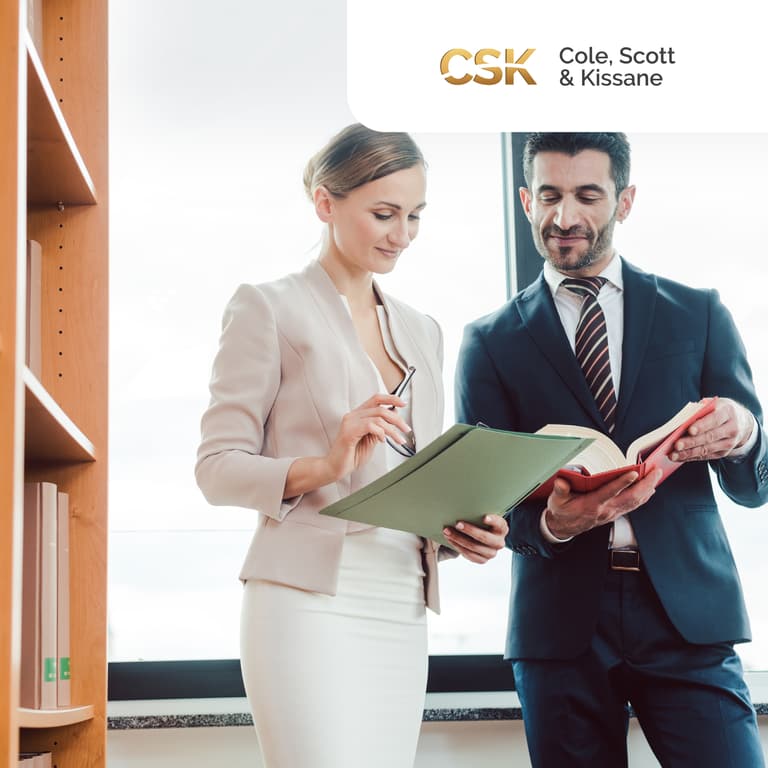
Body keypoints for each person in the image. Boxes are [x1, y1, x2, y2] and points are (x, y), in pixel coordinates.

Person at [195, 123, 508, 768]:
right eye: (385, 213)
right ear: (325, 203)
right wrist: (327, 464)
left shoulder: (423, 330)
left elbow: (419, 481)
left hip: (399, 598)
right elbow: (216, 469)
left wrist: (463, 532)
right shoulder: (268, 307)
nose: (403, 234)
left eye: (416, 215)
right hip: (306, 599)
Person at [455, 132, 768, 767]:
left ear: (624, 201)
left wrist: (745, 431)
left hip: (687, 617)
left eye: (586, 196)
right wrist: (549, 523)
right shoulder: (489, 342)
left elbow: (755, 483)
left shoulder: (698, 313)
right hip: (561, 628)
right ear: (525, 199)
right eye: (548, 196)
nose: (563, 218)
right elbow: (481, 503)